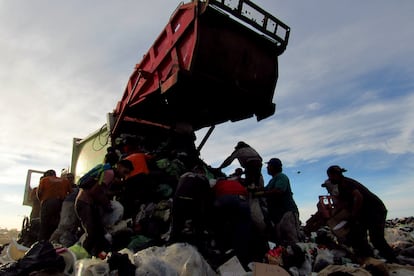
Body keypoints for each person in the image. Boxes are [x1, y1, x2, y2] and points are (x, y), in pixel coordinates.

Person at [326, 165, 397, 262]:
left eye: (330, 176)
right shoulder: (342, 186)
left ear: (336, 175)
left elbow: (358, 197)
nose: (329, 178)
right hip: (366, 213)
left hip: (375, 211)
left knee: (376, 239)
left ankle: (393, 260)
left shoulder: (346, 183)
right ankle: (369, 259)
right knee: (359, 236)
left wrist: (353, 216)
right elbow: (344, 203)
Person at [75, 159, 133, 257]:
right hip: (85, 204)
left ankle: (90, 256)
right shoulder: (109, 173)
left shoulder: (108, 173)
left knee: (97, 233)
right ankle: (81, 258)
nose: (124, 176)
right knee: (92, 234)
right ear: (119, 166)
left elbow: (100, 190)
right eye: (125, 172)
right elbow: (95, 192)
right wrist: (108, 205)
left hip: (87, 204)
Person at [255, 158, 300, 245]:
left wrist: (260, 193)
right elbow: (265, 189)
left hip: (287, 212)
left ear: (274, 167)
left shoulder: (281, 176)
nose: (267, 167)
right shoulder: (273, 180)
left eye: (268, 166)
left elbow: (279, 190)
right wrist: (255, 189)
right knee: (283, 242)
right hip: (278, 215)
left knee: (292, 240)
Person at [170, 165, 213, 247]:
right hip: (192, 201)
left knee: (177, 224)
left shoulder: (183, 176)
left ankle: (172, 244)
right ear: (202, 172)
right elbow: (207, 196)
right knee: (198, 223)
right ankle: (200, 245)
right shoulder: (203, 178)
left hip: (177, 201)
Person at [37, 170, 73, 241]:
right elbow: (71, 193)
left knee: (44, 225)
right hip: (60, 204)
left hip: (47, 203)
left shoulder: (44, 180)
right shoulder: (65, 181)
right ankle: (54, 242)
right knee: (56, 224)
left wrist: (42, 201)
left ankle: (42, 243)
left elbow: (39, 193)